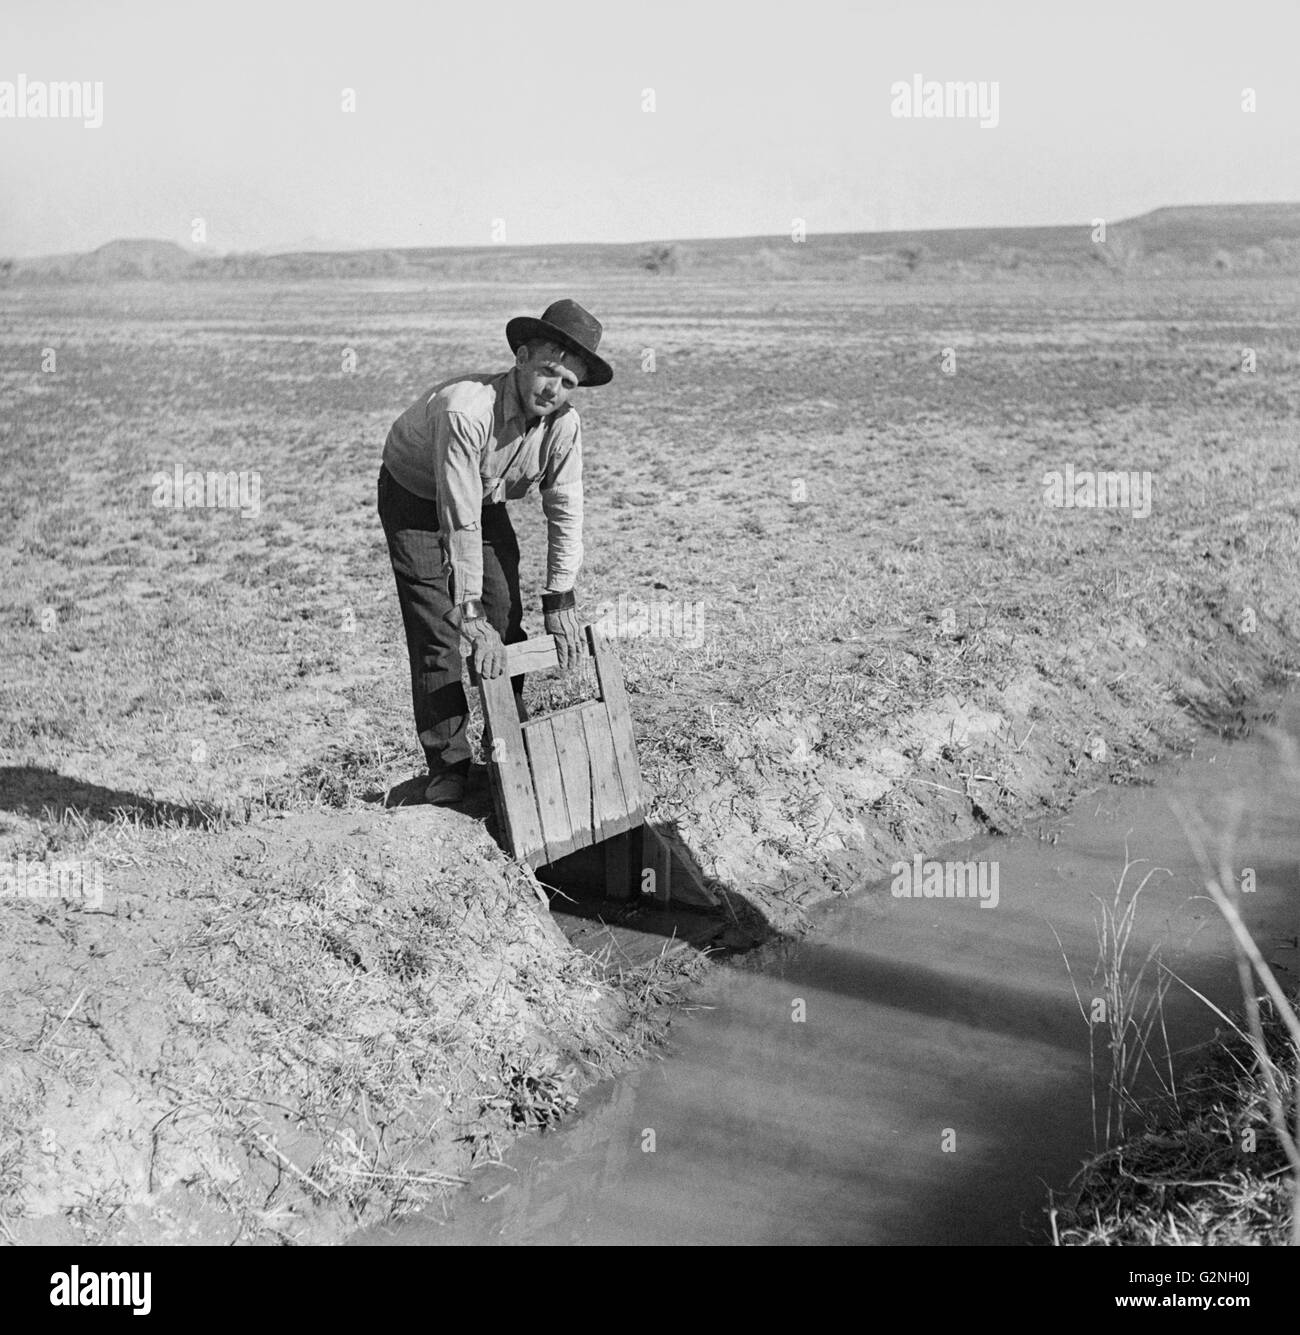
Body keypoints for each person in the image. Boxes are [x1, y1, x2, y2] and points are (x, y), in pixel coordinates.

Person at [377, 299, 613, 805]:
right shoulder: (467, 410)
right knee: (438, 631)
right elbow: (456, 517)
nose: (554, 390)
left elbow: (566, 511)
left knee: (505, 614)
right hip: (415, 495)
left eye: (569, 383)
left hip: (480, 497)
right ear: (522, 357)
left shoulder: (564, 427)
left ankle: (507, 737)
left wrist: (560, 600)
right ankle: (450, 764)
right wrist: (467, 611)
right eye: (548, 372)